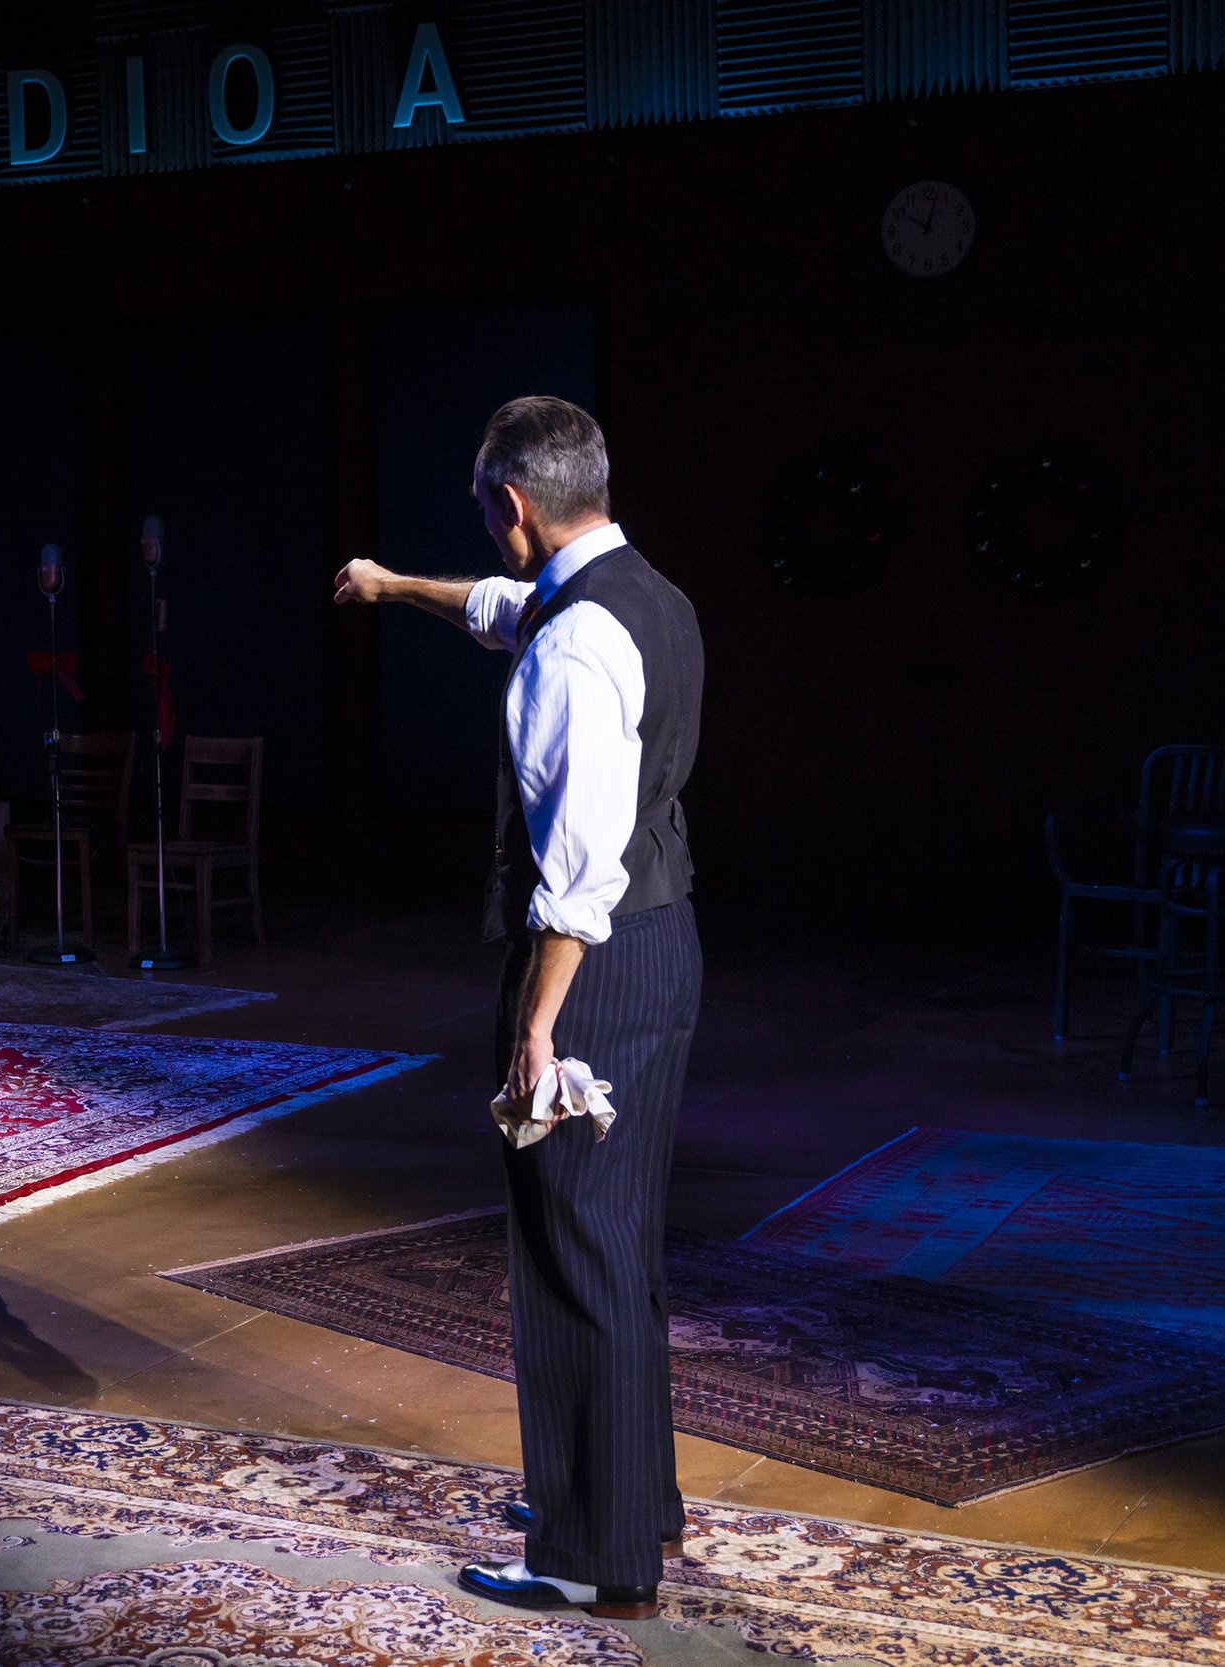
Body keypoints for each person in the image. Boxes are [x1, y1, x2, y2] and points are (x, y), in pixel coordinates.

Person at [333, 397, 703, 1620]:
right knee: (618, 1236)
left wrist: (538, 1029)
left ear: (512, 505)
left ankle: (589, 1556)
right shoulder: (641, 593)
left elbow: (577, 865)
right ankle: (629, 1501)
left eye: (483, 512)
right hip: (661, 943)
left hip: (590, 962)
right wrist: (392, 585)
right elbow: (501, 608)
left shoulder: (572, 642)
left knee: (564, 1246)